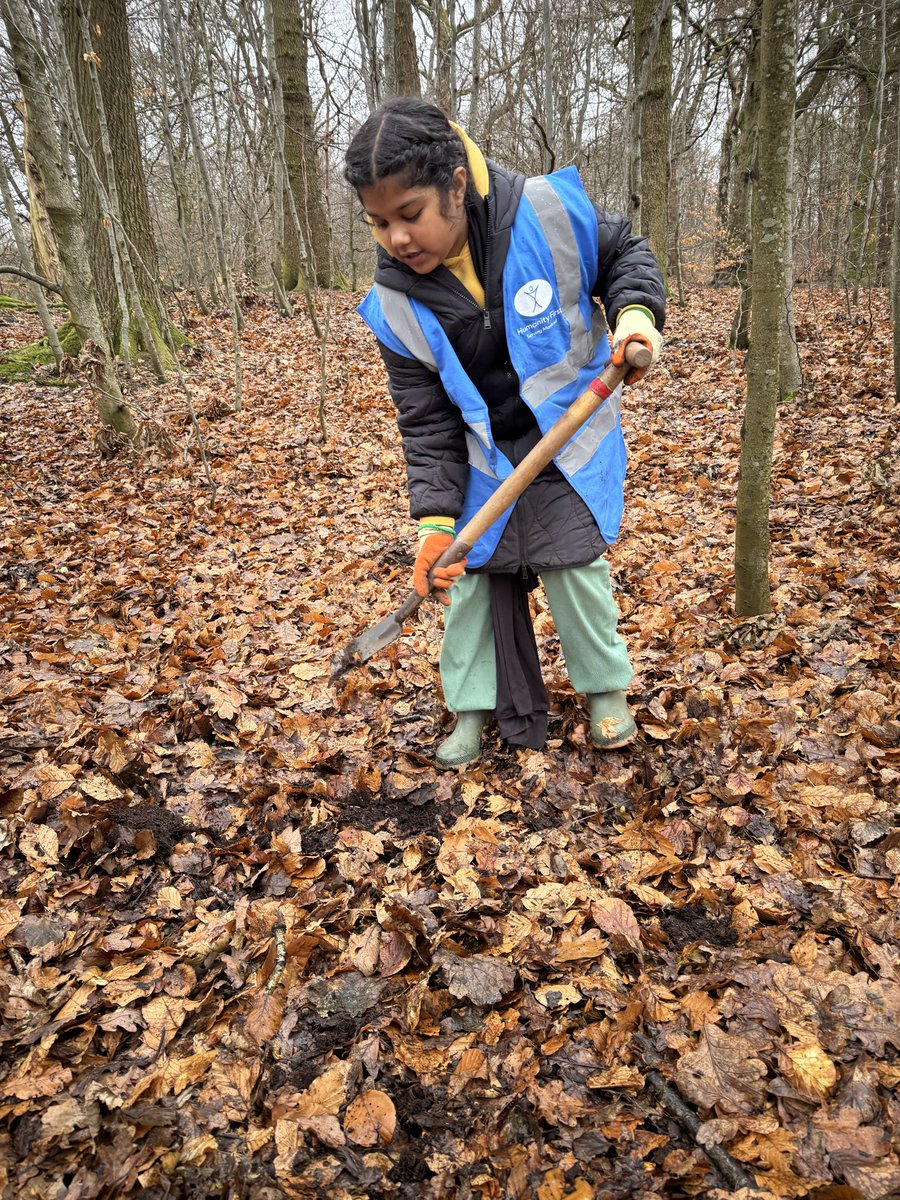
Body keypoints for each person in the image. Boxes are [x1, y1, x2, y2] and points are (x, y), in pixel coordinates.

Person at [344, 98, 665, 768]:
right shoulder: (396, 302)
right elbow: (425, 419)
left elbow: (624, 251)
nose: (397, 239)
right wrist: (434, 522)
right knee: (467, 581)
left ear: (456, 185)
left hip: (568, 435)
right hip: (482, 456)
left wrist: (635, 315)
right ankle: (470, 706)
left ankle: (605, 692)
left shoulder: (545, 211)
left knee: (575, 568)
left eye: (410, 215)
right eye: (379, 223)